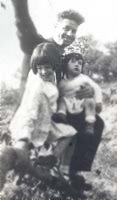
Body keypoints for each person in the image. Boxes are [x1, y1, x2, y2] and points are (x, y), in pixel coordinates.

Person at [8, 0, 104, 186]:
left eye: (73, 31)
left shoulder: (66, 58)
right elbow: (24, 24)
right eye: (66, 28)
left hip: (55, 110)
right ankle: (36, 170)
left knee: (94, 123)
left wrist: (86, 92)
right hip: (32, 108)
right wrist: (20, 4)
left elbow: (68, 87)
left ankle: (70, 171)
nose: (69, 34)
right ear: (55, 26)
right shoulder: (39, 46)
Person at [0, 42, 72, 190]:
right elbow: (30, 112)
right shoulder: (37, 87)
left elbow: (47, 110)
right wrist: (23, 140)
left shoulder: (51, 81)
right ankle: (20, 176)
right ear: (35, 68)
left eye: (48, 67)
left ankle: (49, 160)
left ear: (55, 66)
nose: (44, 71)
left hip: (42, 126)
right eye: (39, 68)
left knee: (68, 133)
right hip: (27, 129)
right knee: (11, 158)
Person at [53, 50, 103, 136]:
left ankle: (90, 123)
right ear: (65, 65)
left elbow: (96, 88)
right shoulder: (62, 82)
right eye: (73, 62)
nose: (77, 64)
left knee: (90, 101)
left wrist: (98, 102)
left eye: (80, 63)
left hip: (81, 103)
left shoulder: (84, 78)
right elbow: (58, 94)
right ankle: (61, 114)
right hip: (67, 104)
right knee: (62, 100)